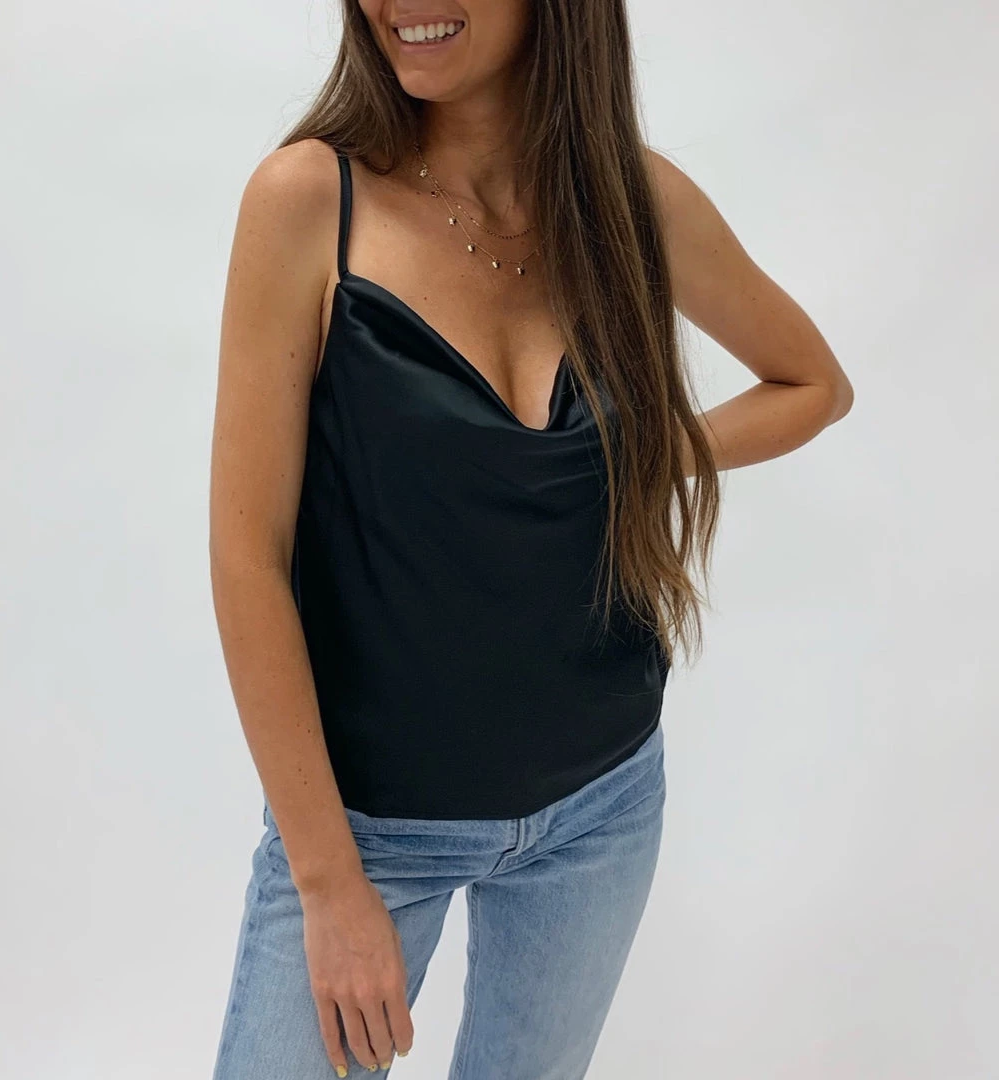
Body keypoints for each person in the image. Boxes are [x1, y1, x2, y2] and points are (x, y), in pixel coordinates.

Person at [207, 1, 854, 1077]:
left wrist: (647, 452)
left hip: (602, 805)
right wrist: (328, 882)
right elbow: (249, 561)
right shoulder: (309, 201)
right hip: (370, 830)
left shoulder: (630, 201)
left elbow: (813, 384)